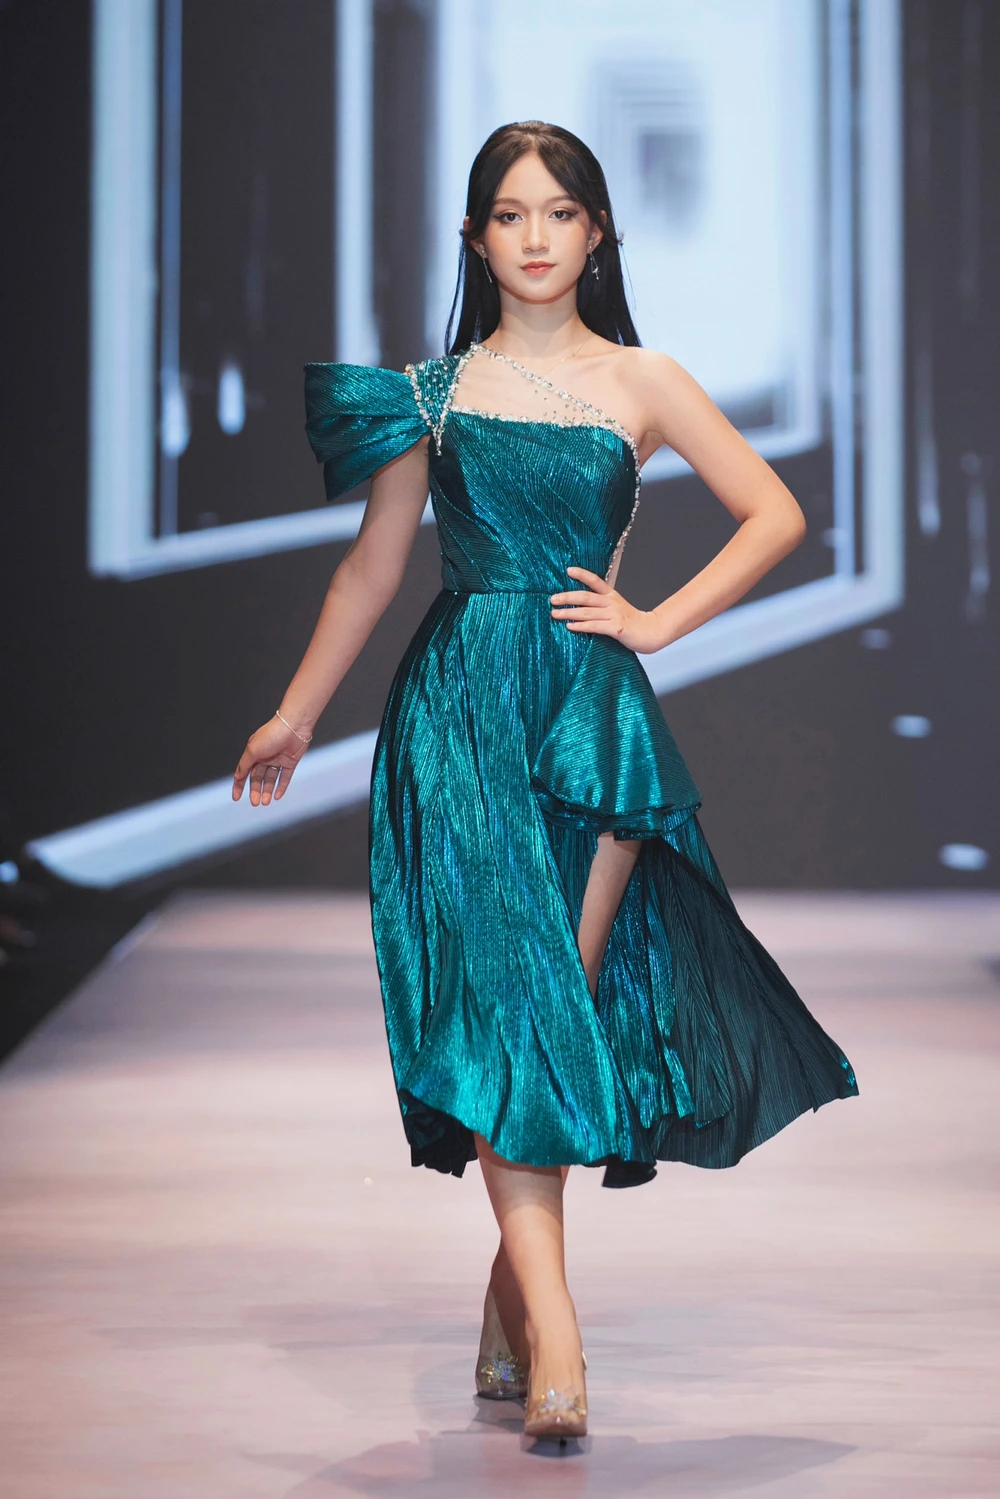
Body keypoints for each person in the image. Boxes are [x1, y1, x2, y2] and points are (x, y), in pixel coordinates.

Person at [232, 121, 858, 1443]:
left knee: (549, 1004)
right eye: (510, 214)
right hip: (457, 717)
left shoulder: (644, 379)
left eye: (559, 213)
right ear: (475, 238)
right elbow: (373, 565)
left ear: (597, 232)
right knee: (514, 1004)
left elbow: (776, 511)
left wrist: (657, 621)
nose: (534, 236)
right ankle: (560, 1342)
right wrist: (294, 712)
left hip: (585, 719)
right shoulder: (430, 394)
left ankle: (513, 1302)